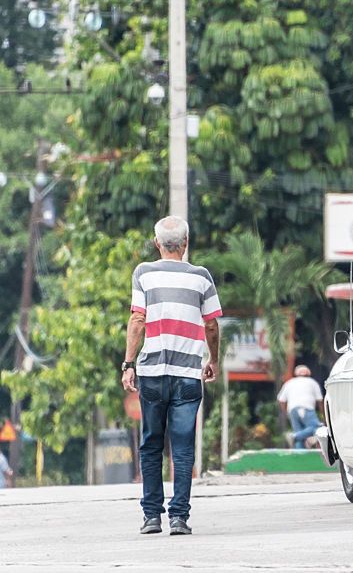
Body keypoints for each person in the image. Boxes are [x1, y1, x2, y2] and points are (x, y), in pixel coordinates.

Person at [121, 216, 221, 536]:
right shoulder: (202, 277)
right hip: (188, 373)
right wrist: (213, 359)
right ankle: (179, 517)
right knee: (182, 447)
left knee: (150, 444)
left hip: (152, 373)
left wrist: (128, 363)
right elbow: (211, 325)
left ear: (157, 244)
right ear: (186, 242)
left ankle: (152, 517)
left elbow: (138, 320)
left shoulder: (144, 273)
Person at [277, 365, 324, 449]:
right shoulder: (312, 382)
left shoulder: (289, 383)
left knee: (299, 433)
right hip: (307, 408)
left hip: (292, 410)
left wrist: (286, 412)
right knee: (316, 427)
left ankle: (300, 454)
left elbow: (281, 400)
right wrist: (323, 414)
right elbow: (320, 400)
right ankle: (294, 436)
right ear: (308, 374)